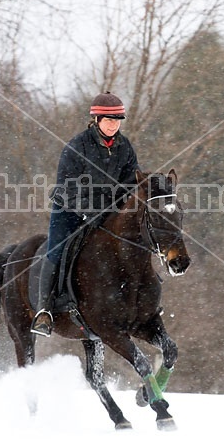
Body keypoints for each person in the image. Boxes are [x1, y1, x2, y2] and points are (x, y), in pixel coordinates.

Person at [31, 91, 140, 337]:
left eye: (118, 120)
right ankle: (44, 312)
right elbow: (67, 187)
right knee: (57, 249)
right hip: (69, 208)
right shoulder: (76, 146)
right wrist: (89, 212)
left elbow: (132, 181)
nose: (114, 125)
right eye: (109, 120)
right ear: (96, 121)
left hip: (105, 211)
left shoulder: (125, 148)